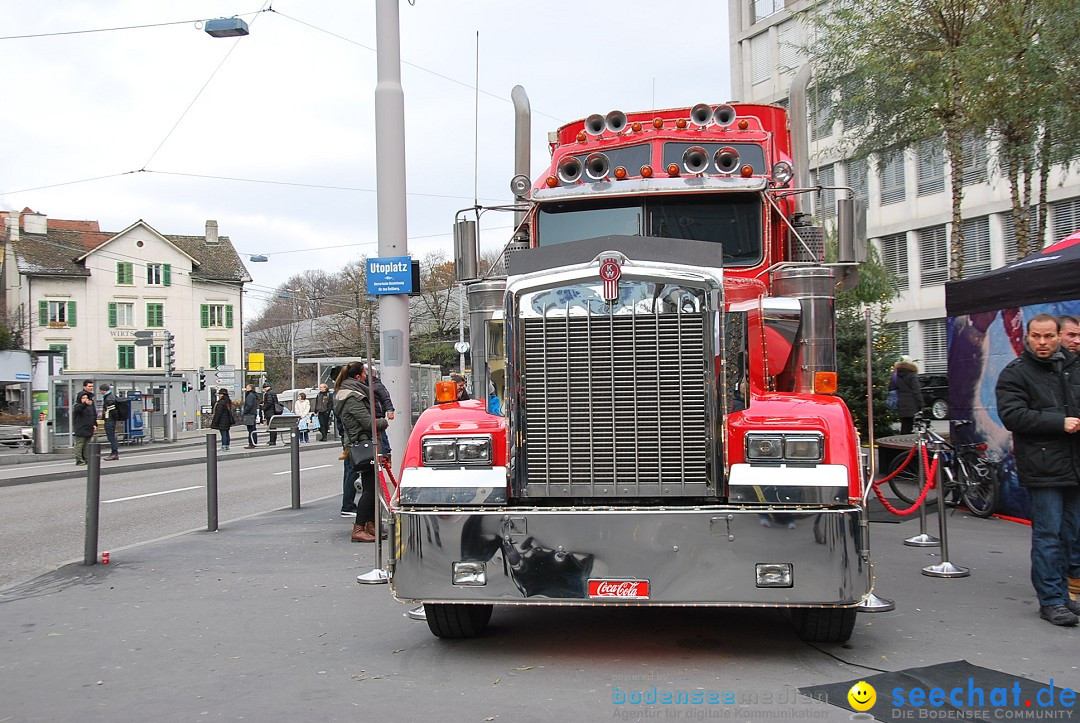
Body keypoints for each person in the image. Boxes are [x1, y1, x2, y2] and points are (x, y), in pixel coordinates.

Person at [995, 313, 1080, 627]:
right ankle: (1052, 600)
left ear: (1058, 335)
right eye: (1036, 336)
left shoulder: (1072, 366)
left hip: (1073, 465)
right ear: (1028, 337)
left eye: (1048, 336)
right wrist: (1059, 422)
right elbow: (1013, 415)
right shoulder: (1016, 373)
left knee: (1069, 535)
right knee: (1048, 535)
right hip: (1043, 467)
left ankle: (1062, 595)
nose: (1042, 342)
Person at [334, 362, 388, 540]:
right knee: (370, 489)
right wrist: (383, 421)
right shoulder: (352, 396)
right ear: (358, 377)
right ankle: (359, 529)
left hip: (363, 442)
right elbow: (368, 423)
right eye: (365, 373)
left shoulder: (351, 392)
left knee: (372, 487)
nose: (367, 376)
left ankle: (369, 524)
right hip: (363, 443)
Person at [889, 355, 924, 434]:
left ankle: (902, 439)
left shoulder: (896, 375)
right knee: (909, 425)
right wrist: (921, 403)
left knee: (904, 424)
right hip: (911, 402)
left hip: (901, 401)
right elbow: (916, 390)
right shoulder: (912, 375)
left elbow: (891, 387)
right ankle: (906, 443)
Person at [369, 366, 394, 463]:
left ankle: (387, 453)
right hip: (371, 413)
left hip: (377, 413)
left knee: (381, 433)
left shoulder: (377, 385)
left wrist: (389, 410)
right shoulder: (365, 385)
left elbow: (385, 398)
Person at [72, 391, 97, 466]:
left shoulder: (90, 406)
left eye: (86, 398)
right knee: (80, 444)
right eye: (83, 398)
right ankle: (79, 459)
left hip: (89, 428)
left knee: (87, 445)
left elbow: (93, 415)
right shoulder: (78, 406)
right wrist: (85, 404)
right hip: (81, 428)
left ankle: (86, 458)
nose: (85, 399)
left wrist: (94, 423)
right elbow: (78, 409)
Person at [99, 383, 120, 460]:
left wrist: (107, 417)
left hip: (110, 420)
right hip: (111, 419)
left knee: (111, 437)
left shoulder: (109, 399)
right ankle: (114, 453)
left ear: (104, 390)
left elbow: (112, 411)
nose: (100, 392)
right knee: (111, 436)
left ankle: (114, 453)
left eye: (100, 390)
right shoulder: (111, 396)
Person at [242, 383, 259, 448]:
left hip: (249, 414)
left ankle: (251, 443)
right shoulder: (253, 395)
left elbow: (249, 405)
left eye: (247, 387)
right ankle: (253, 442)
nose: (246, 388)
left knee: (251, 429)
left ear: (250, 388)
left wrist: (245, 412)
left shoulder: (250, 395)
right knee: (253, 429)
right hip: (252, 414)